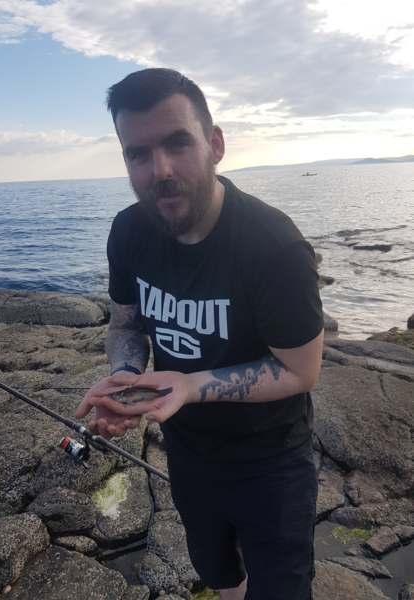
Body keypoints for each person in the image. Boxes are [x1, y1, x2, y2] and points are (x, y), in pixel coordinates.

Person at [75, 68, 324, 600]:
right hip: (187, 451)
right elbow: (125, 323)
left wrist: (190, 386)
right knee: (218, 573)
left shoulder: (273, 246)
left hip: (272, 462)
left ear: (215, 144)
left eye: (177, 143)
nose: (160, 170)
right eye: (138, 154)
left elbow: (302, 371)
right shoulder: (128, 230)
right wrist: (126, 378)